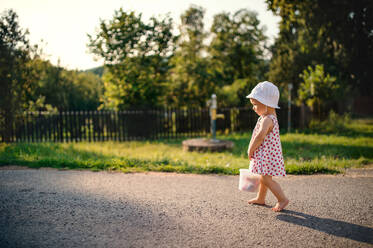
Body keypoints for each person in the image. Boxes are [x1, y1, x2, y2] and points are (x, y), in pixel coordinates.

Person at [246, 81, 289, 212]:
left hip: (267, 155)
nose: (253, 108)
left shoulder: (267, 119)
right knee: (263, 177)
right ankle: (261, 198)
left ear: (266, 104)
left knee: (266, 178)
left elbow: (260, 136)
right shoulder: (266, 117)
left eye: (255, 104)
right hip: (266, 154)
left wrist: (250, 149)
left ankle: (282, 199)